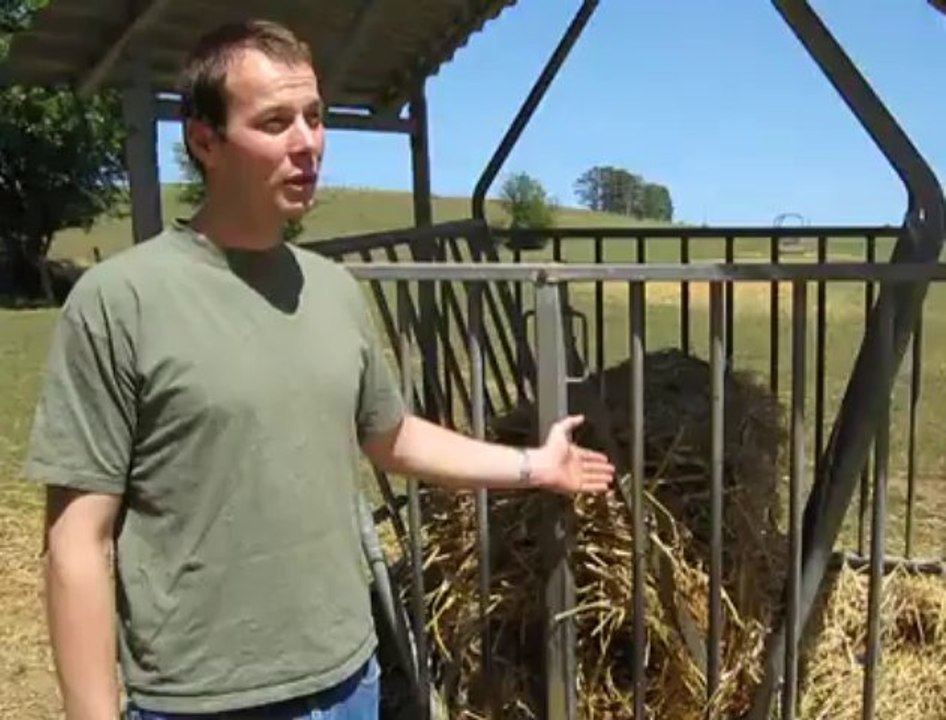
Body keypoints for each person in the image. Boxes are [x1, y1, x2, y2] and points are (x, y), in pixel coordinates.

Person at [25, 19, 616, 720]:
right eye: (274, 122)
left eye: (314, 116)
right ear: (203, 140)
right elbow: (76, 543)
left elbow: (391, 437)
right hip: (204, 701)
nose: (306, 142)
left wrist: (533, 466)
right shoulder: (120, 301)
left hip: (347, 682)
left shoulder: (331, 289)